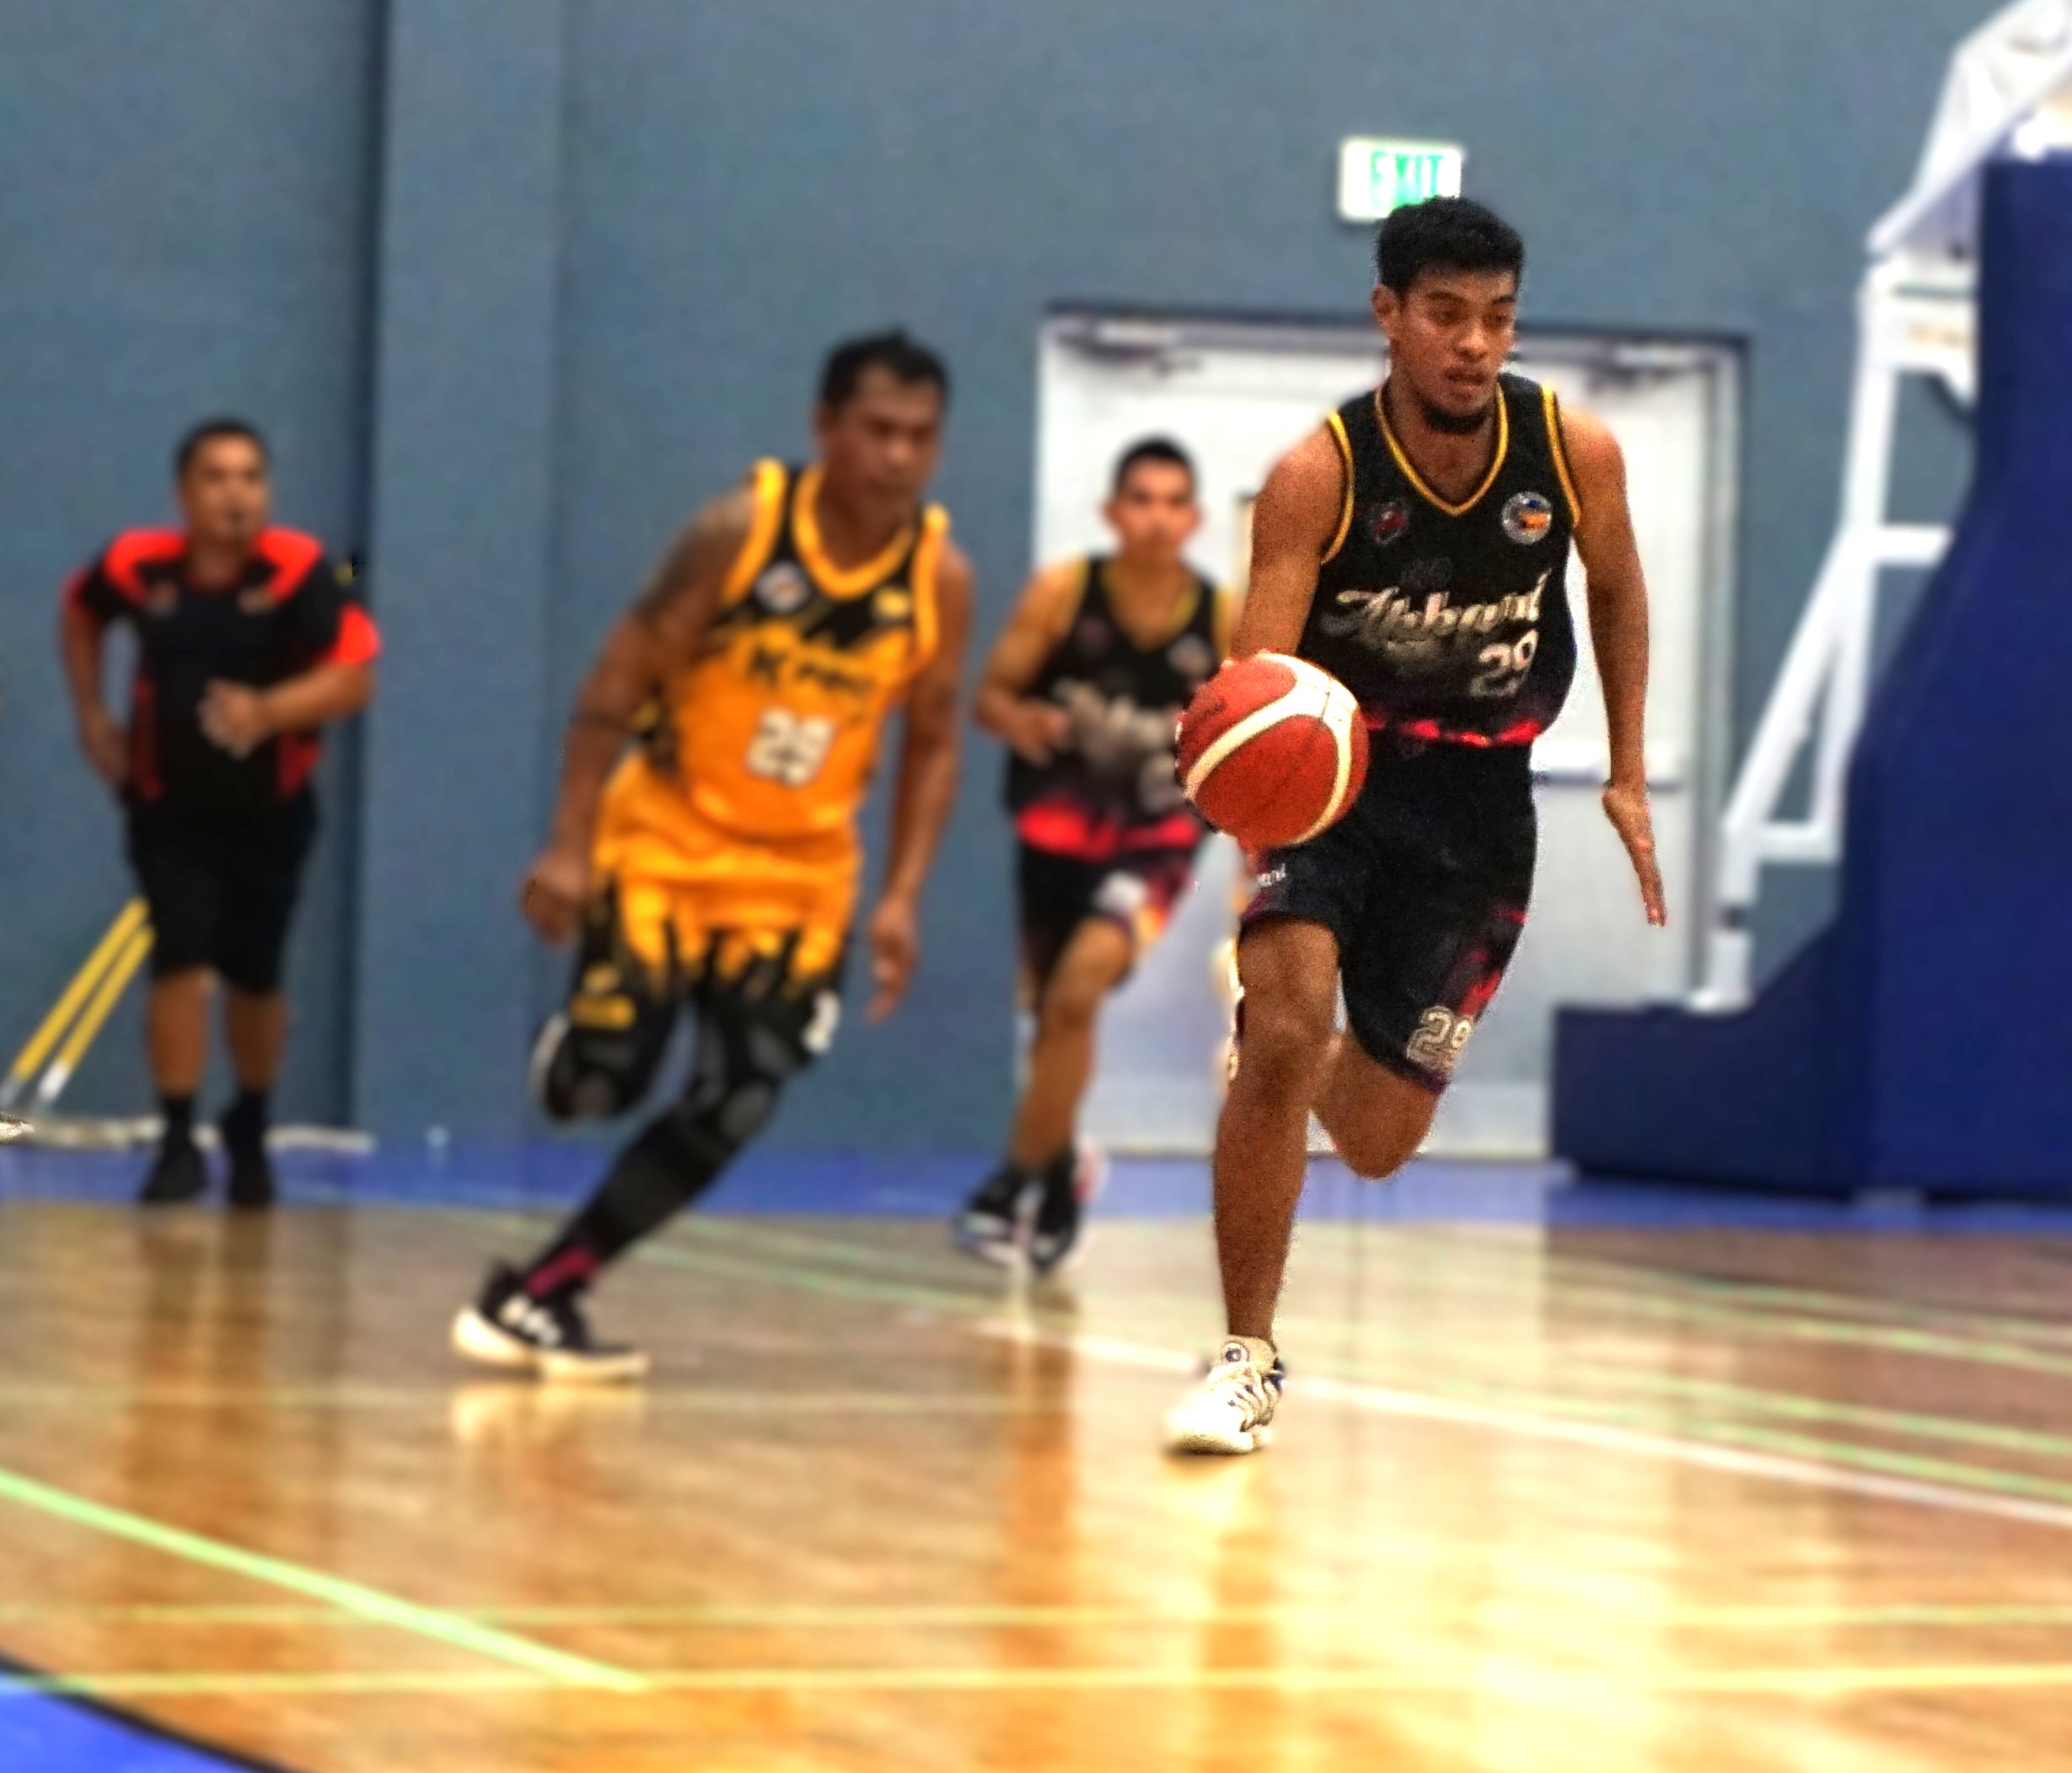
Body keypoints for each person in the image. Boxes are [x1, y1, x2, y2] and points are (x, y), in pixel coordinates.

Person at [1165, 197, 1663, 1454]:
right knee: (1284, 1030)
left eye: (1497, 317)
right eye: (1446, 314)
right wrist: (1250, 809)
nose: (1474, 343)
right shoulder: (1318, 472)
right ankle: (1244, 1357)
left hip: (1480, 802)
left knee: (1380, 1141)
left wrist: (1630, 769)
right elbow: (1256, 670)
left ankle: (1289, 1048)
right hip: (1333, 782)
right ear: (1388, 314)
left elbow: (1615, 590)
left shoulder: (1571, 451)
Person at [454, 330, 974, 1382]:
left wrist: (903, 896)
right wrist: (567, 842)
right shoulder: (739, 532)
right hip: (666, 836)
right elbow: (616, 679)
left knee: (742, 1096)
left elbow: (931, 743)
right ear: (826, 427)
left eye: (919, 437)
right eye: (876, 430)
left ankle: (545, 1293)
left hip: (799, 875)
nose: (896, 456)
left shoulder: (938, 578)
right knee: (601, 1087)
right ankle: (582, 1052)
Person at [60, 419, 378, 1208]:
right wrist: (92, 715)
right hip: (167, 806)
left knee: (255, 975)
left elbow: (354, 675)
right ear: (185, 493)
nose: (236, 494)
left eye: (250, 477)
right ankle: (175, 1139)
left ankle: (252, 1123)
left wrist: (269, 709)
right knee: (180, 959)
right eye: (217, 477)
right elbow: (79, 610)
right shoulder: (139, 567)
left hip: (270, 809)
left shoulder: (299, 572)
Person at [954, 437, 1229, 1275]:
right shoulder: (1063, 594)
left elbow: (1257, 734)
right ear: (1114, 512)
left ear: (1193, 518)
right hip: (1057, 828)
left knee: (1077, 992)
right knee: (1053, 1018)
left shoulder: (1220, 618)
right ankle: (1064, 1169)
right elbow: (989, 698)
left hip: (1157, 839)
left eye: (1171, 501)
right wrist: (1021, 720)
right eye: (1139, 499)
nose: (1154, 516)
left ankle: (1012, 1183)